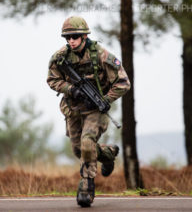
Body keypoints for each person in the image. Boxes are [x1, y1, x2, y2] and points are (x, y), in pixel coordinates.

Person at [47, 16, 131, 207]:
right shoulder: (61, 57)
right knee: (79, 150)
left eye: (75, 36)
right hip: (73, 109)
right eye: (67, 37)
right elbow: (52, 79)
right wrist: (71, 89)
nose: (71, 40)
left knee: (87, 144)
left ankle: (86, 186)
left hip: (95, 110)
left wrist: (105, 100)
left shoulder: (101, 55)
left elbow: (123, 82)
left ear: (84, 36)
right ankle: (108, 154)